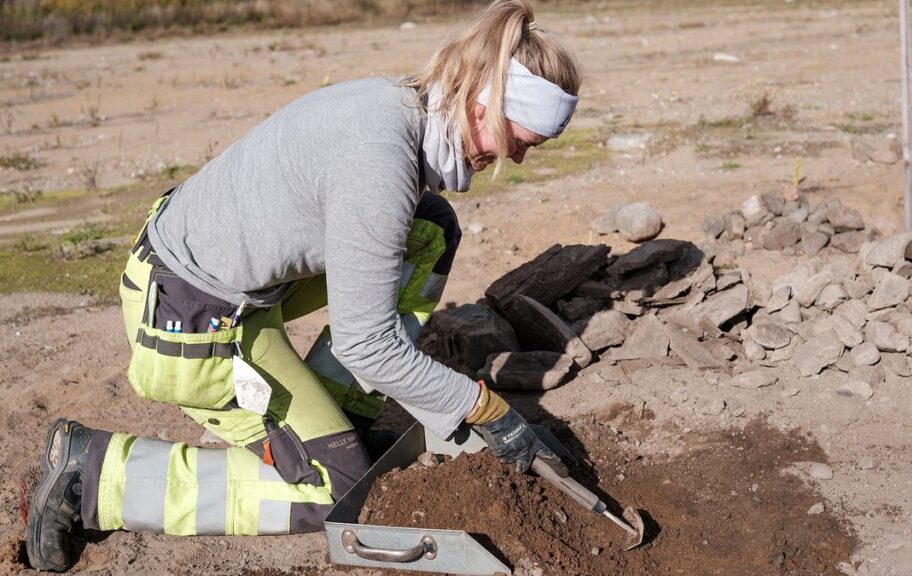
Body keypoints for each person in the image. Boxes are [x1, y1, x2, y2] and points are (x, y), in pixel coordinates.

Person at [25, 0, 580, 571]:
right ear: (484, 99)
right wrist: (485, 410)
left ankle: (335, 410)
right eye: (524, 138)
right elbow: (368, 341)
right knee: (333, 489)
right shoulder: (379, 159)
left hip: (235, 287)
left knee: (428, 228)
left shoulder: (403, 108)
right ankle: (91, 472)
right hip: (192, 317)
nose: (515, 156)